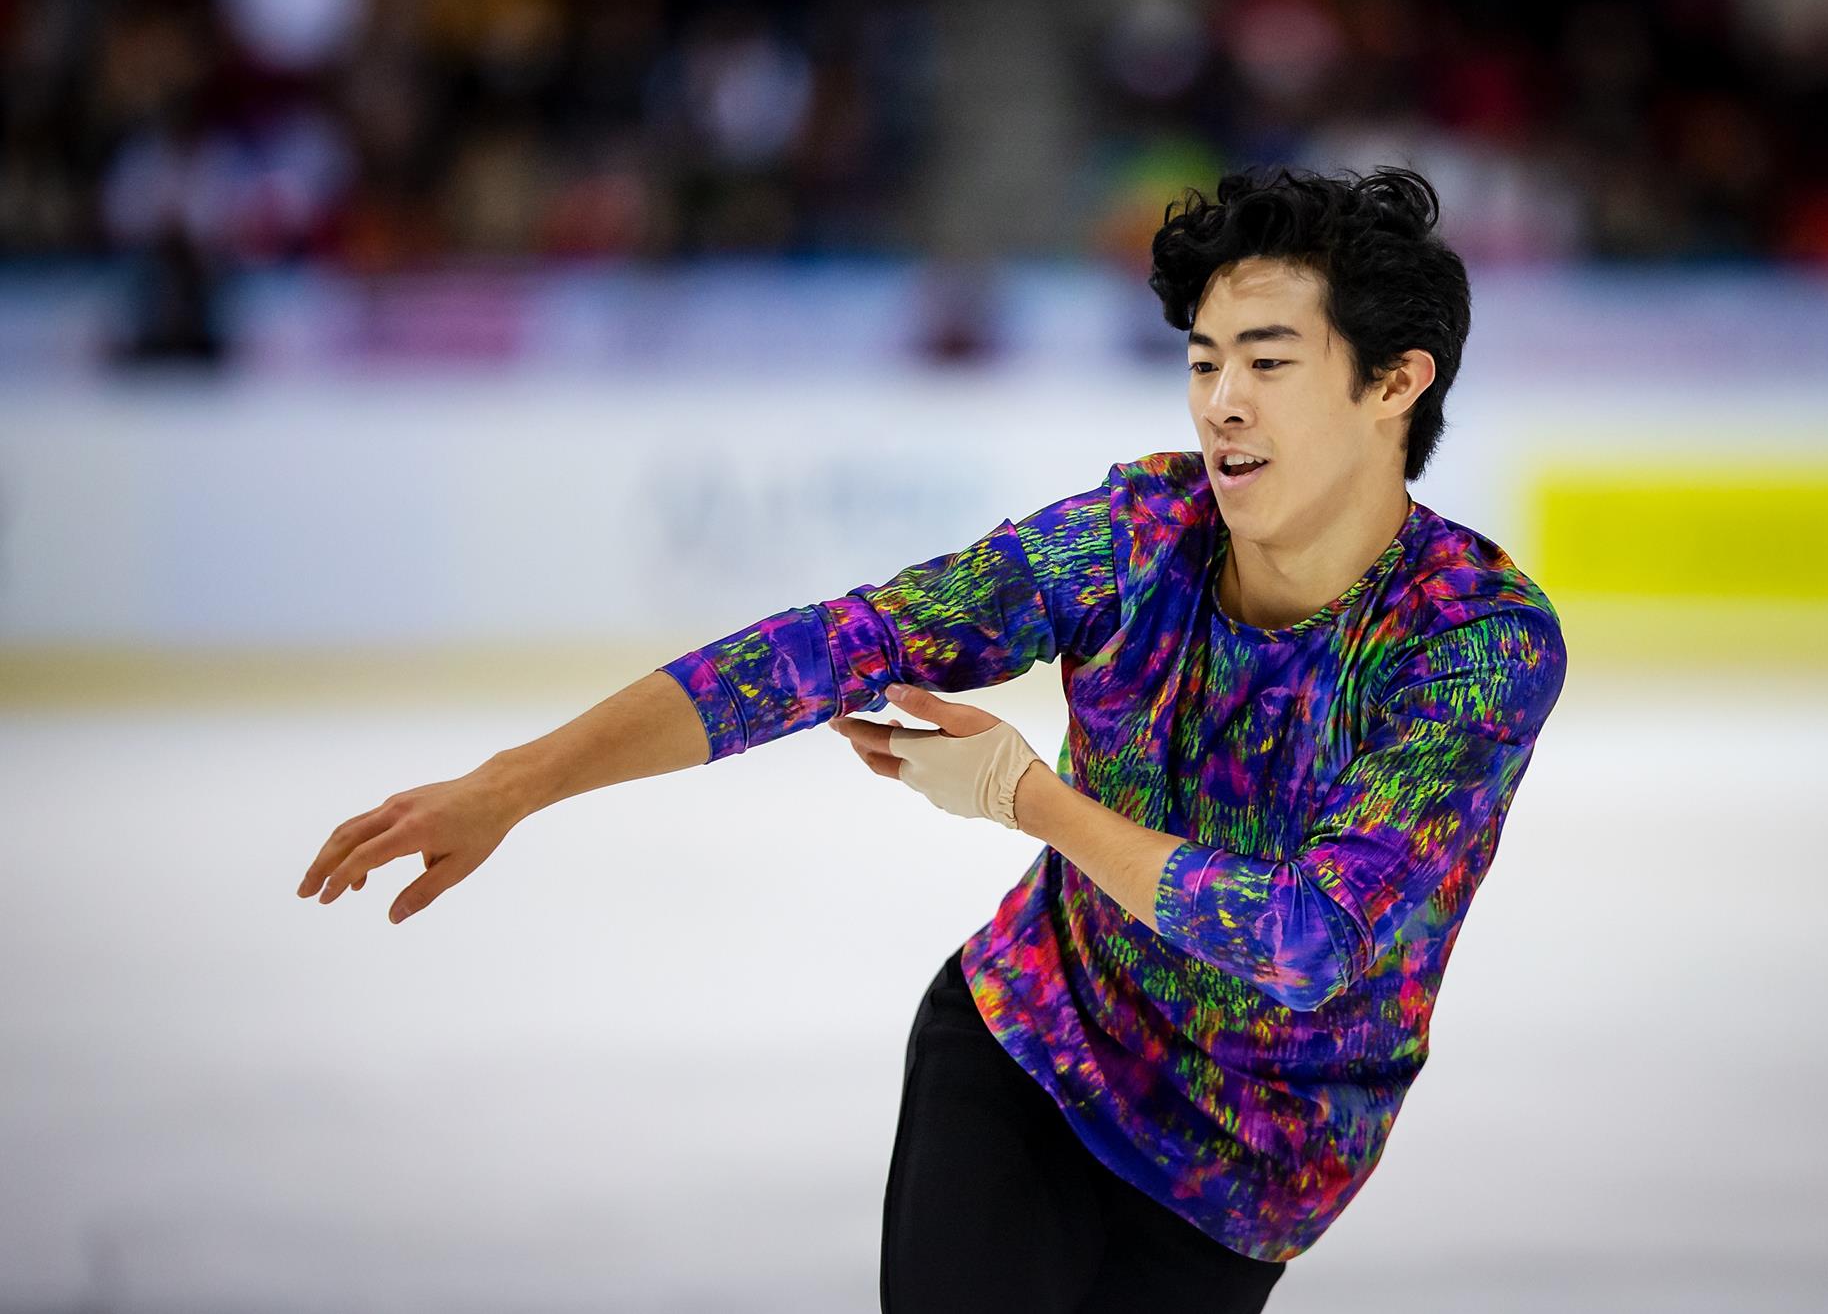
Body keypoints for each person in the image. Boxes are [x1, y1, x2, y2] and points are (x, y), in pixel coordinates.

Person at [295, 164, 1567, 1313]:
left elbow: (1305, 940)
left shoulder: (1469, 644)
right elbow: (834, 645)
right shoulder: (1137, 536)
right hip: (1031, 1044)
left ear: (1396, 380)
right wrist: (515, 784)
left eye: (1268, 362)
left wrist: (1030, 800)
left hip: (1251, 1170)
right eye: (1200, 359)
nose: (1220, 404)